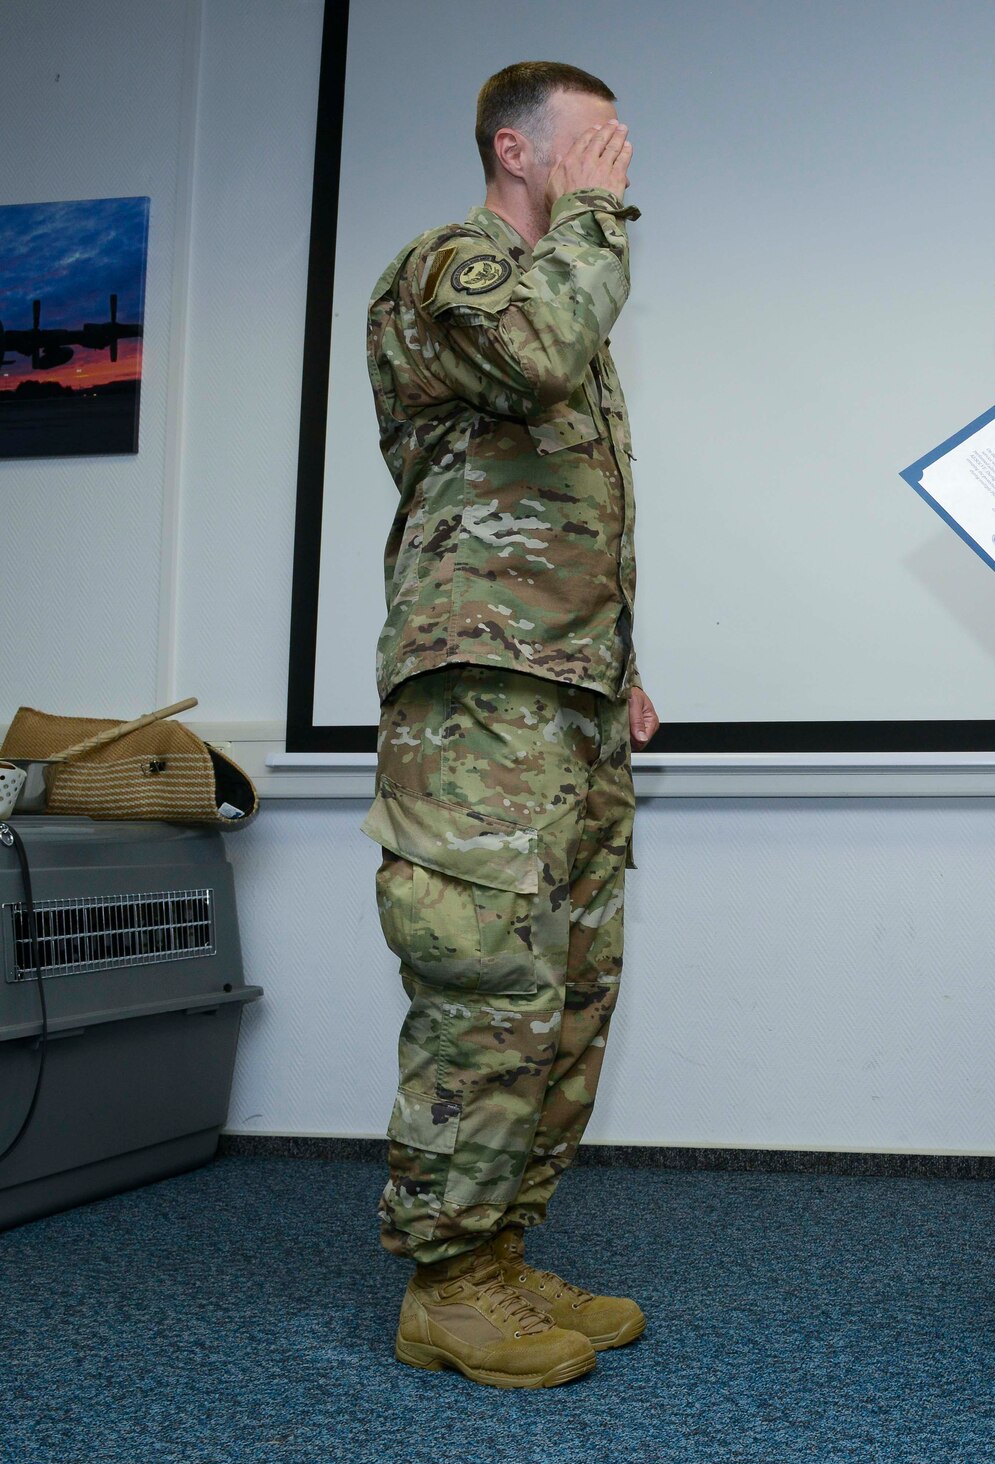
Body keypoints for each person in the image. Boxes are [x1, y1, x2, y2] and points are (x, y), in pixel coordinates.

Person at [362, 60, 659, 1389]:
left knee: (570, 988)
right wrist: (593, 224)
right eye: (591, 147)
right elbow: (540, 351)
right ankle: (445, 1280)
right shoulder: (452, 270)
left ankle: (502, 1252)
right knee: (483, 980)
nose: (616, 169)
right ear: (515, 150)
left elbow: (563, 515)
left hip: (566, 690)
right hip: (475, 693)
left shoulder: (566, 285)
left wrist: (616, 662)